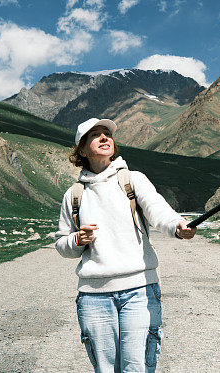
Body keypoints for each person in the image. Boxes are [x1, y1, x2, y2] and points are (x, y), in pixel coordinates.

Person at [55, 117, 196, 372]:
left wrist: (177, 226)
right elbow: (62, 242)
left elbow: (158, 211)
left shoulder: (133, 180)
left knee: (137, 367)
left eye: (107, 134)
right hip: (93, 297)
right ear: (83, 150)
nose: (104, 137)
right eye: (95, 135)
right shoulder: (74, 194)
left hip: (139, 291)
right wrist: (76, 240)